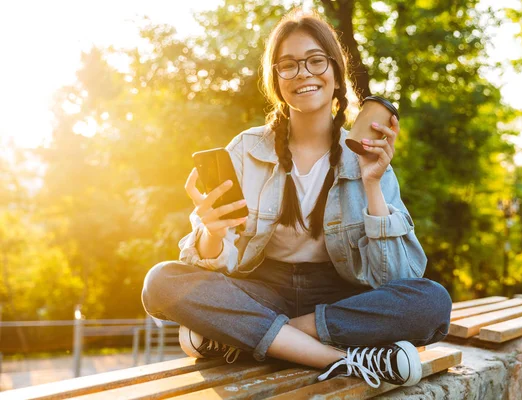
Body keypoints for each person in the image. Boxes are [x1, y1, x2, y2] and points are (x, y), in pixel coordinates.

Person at [141, 10, 451, 389]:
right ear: (277, 82)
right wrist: (211, 233)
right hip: (263, 289)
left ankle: (256, 336)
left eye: (316, 61)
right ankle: (344, 358)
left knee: (431, 302)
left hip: (337, 299)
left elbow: (396, 278)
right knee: (161, 282)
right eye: (288, 66)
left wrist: (372, 185)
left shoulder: (369, 157)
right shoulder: (245, 150)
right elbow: (215, 264)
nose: (303, 73)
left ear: (337, 75)